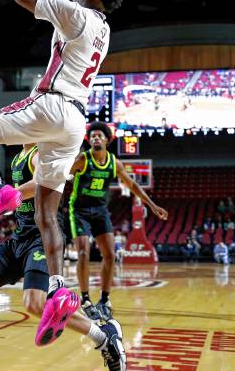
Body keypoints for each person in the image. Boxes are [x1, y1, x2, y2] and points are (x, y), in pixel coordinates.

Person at [0, 0, 124, 344]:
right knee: (48, 214)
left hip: (51, 103)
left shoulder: (80, 16)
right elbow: (61, 12)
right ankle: (57, 290)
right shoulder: (101, 29)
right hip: (75, 122)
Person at [0, 145, 125, 371]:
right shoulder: (19, 157)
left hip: (42, 238)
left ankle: (104, 336)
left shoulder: (41, 153)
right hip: (20, 237)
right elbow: (18, 200)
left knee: (36, 304)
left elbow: (40, 183)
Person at [68, 122, 168, 320]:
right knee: (82, 253)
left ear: (107, 140)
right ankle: (86, 299)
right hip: (79, 210)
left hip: (99, 210)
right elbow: (62, 176)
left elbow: (132, 185)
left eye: (100, 136)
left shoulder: (114, 163)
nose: (96, 138)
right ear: (89, 140)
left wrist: (152, 205)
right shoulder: (82, 159)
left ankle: (104, 300)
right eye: (93, 136)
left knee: (111, 255)